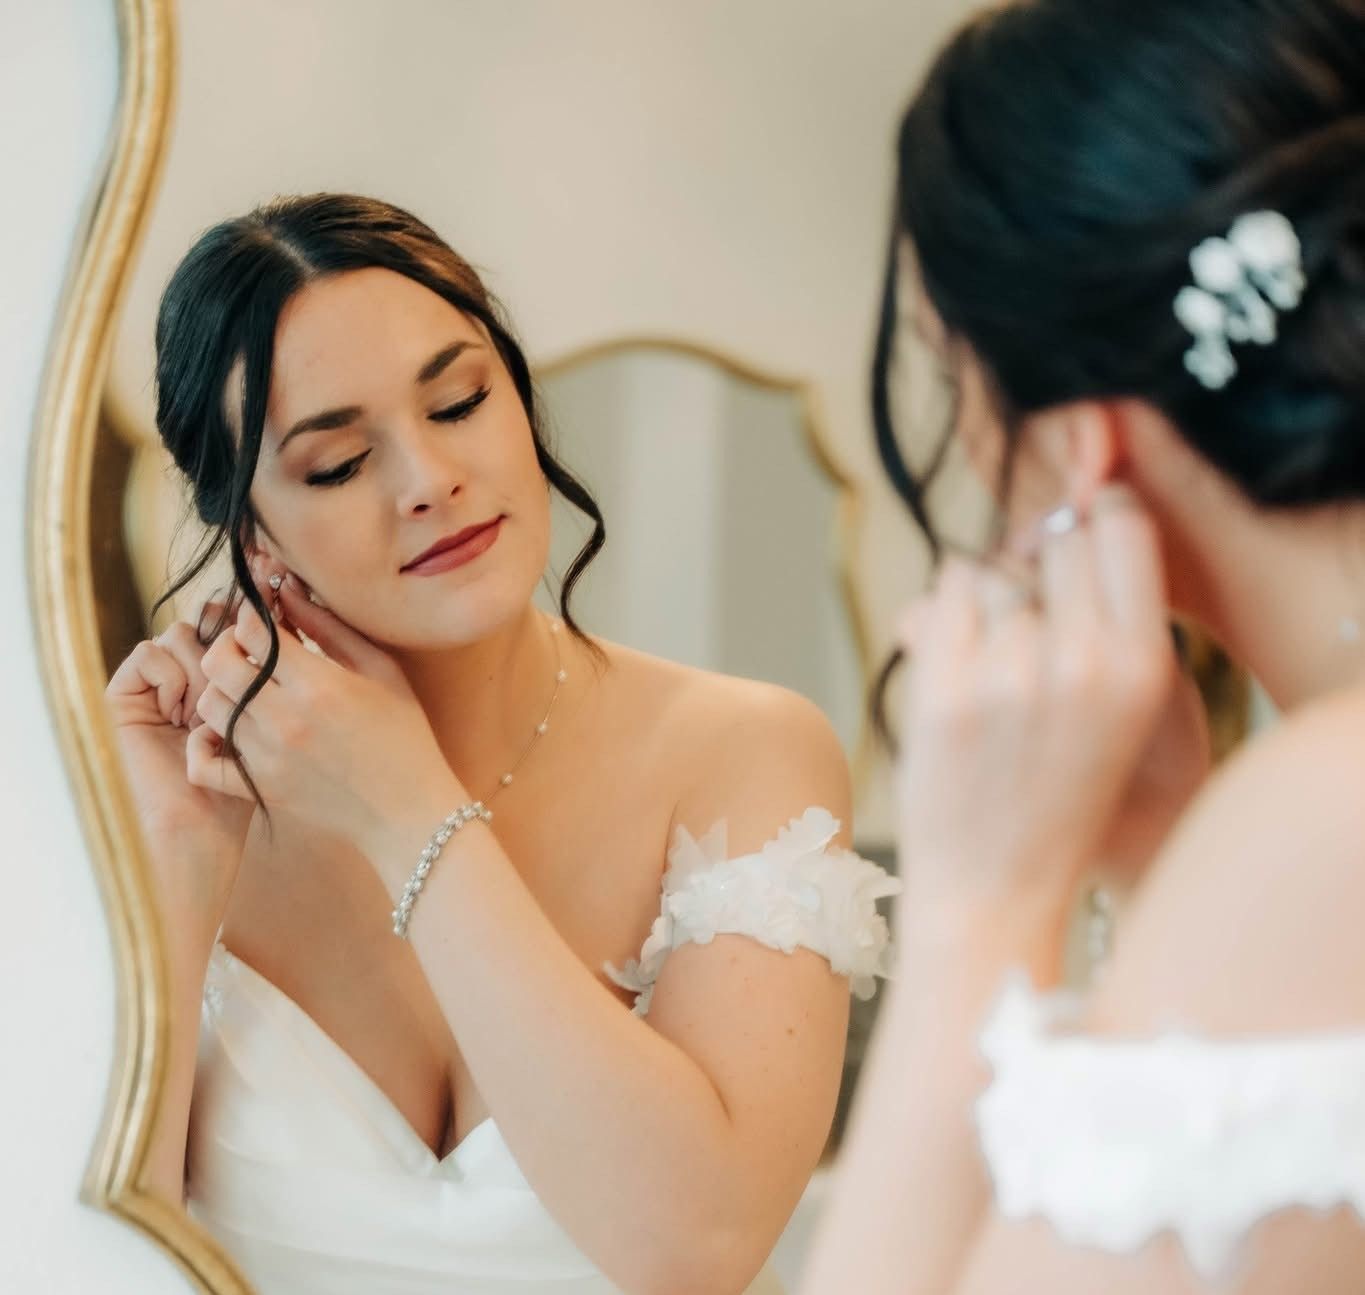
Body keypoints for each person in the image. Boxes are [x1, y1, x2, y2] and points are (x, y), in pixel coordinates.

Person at [104, 193, 900, 1295]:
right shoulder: (164, 810)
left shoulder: (742, 752)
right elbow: (90, 1260)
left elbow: (695, 1246)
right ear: (251, 529)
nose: (429, 480)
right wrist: (179, 867)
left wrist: (406, 807)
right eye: (338, 463)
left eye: (461, 401)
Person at [800, 1, 1365, 1291]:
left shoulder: (1322, 809)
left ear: (1077, 440)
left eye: (960, 382)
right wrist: (1172, 852)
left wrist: (977, 907)